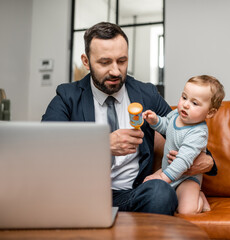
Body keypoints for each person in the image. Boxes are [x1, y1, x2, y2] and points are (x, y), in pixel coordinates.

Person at [41, 22, 217, 216]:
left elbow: (185, 131)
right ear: (86, 61)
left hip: (131, 194)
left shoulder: (147, 94)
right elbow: (46, 146)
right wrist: (101, 144)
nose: (116, 71)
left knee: (160, 192)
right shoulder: (68, 96)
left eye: (122, 61)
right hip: (80, 194)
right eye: (105, 62)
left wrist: (208, 161)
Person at [142, 75, 224, 214]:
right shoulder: (176, 115)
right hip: (168, 169)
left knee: (186, 210)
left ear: (210, 112)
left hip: (187, 177)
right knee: (146, 184)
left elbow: (183, 161)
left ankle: (199, 198)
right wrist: (155, 121)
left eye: (195, 103)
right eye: (184, 97)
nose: (185, 104)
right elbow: (166, 127)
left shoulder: (198, 133)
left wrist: (162, 178)